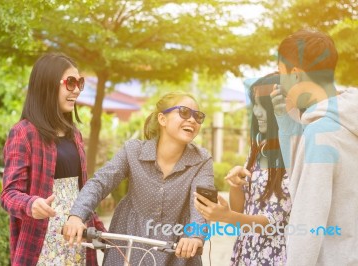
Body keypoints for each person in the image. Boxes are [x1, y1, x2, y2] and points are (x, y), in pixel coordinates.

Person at [63, 91, 215, 265]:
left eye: (198, 116)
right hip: (129, 243)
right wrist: (76, 216)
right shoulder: (133, 151)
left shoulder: (202, 160)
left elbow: (202, 205)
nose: (192, 120)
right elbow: (100, 183)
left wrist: (195, 236)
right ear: (162, 119)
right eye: (184, 112)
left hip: (178, 248)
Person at [0, 53, 106, 266]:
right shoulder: (23, 133)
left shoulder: (74, 134)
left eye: (80, 83)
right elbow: (8, 195)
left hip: (77, 241)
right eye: (70, 82)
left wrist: (100, 230)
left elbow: (81, 191)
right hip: (43, 243)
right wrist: (31, 203)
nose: (76, 89)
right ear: (48, 85)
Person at [270, 29, 358, 265]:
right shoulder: (347, 120)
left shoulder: (321, 134)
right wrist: (289, 126)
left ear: (296, 75)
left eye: (281, 73)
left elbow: (308, 219)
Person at [194, 73, 291, 265]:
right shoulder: (259, 147)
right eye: (255, 104)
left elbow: (273, 224)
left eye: (264, 105)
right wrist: (236, 184)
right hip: (246, 252)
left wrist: (226, 217)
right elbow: (240, 209)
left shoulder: (294, 151)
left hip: (276, 257)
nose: (257, 112)